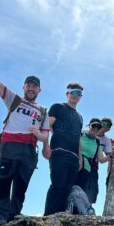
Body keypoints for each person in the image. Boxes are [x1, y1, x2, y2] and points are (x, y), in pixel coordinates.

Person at [0, 44, 50, 226]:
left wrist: (37, 134)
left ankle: (14, 217)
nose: (32, 88)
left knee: (21, 185)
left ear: (39, 90)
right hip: (10, 145)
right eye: (29, 85)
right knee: (4, 180)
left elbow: (44, 137)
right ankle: (0, 219)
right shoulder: (14, 99)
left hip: (29, 151)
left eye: (35, 86)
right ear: (24, 86)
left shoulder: (43, 111)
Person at [43, 83, 84, 215]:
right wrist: (46, 145)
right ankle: (48, 217)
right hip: (59, 152)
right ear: (67, 93)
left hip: (74, 157)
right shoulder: (57, 107)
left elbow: (78, 139)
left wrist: (80, 158)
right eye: (73, 92)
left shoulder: (80, 117)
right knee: (58, 185)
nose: (76, 95)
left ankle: (59, 218)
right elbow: (46, 126)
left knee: (67, 189)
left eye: (79, 93)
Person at [76, 118, 111, 205]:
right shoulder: (80, 134)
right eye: (93, 126)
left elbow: (101, 159)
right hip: (74, 165)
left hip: (87, 169)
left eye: (98, 127)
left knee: (82, 191)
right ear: (89, 125)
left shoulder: (97, 143)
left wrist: (112, 155)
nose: (95, 129)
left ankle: (81, 211)